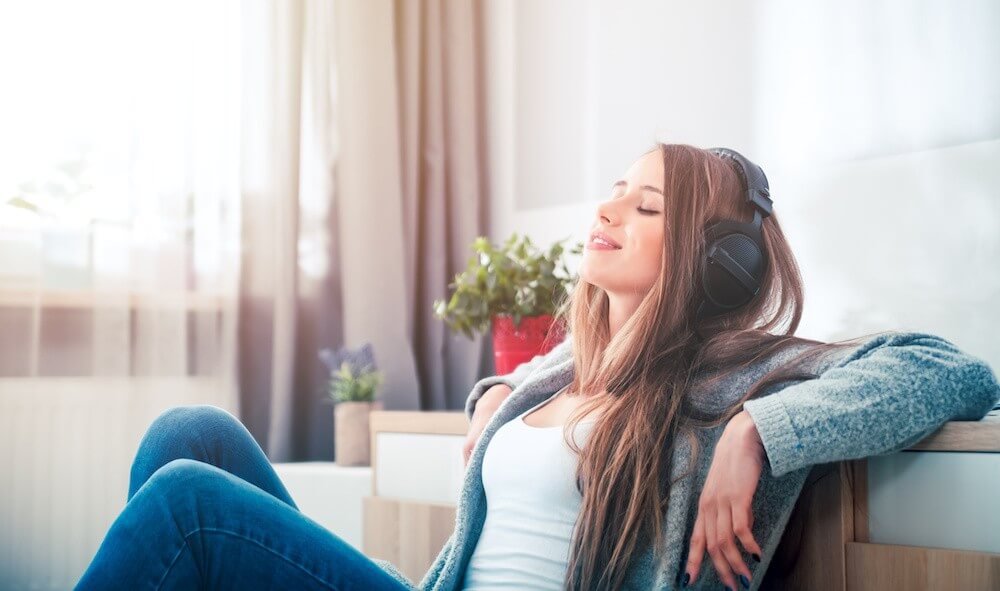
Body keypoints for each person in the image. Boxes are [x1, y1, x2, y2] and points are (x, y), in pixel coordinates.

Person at [75, 143, 1000, 591]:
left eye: (645, 208)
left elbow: (950, 368)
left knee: (185, 504)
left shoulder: (735, 380)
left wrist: (762, 430)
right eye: (614, 192)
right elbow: (540, 404)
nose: (607, 211)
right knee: (188, 434)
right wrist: (500, 397)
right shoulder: (568, 372)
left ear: (712, 262)